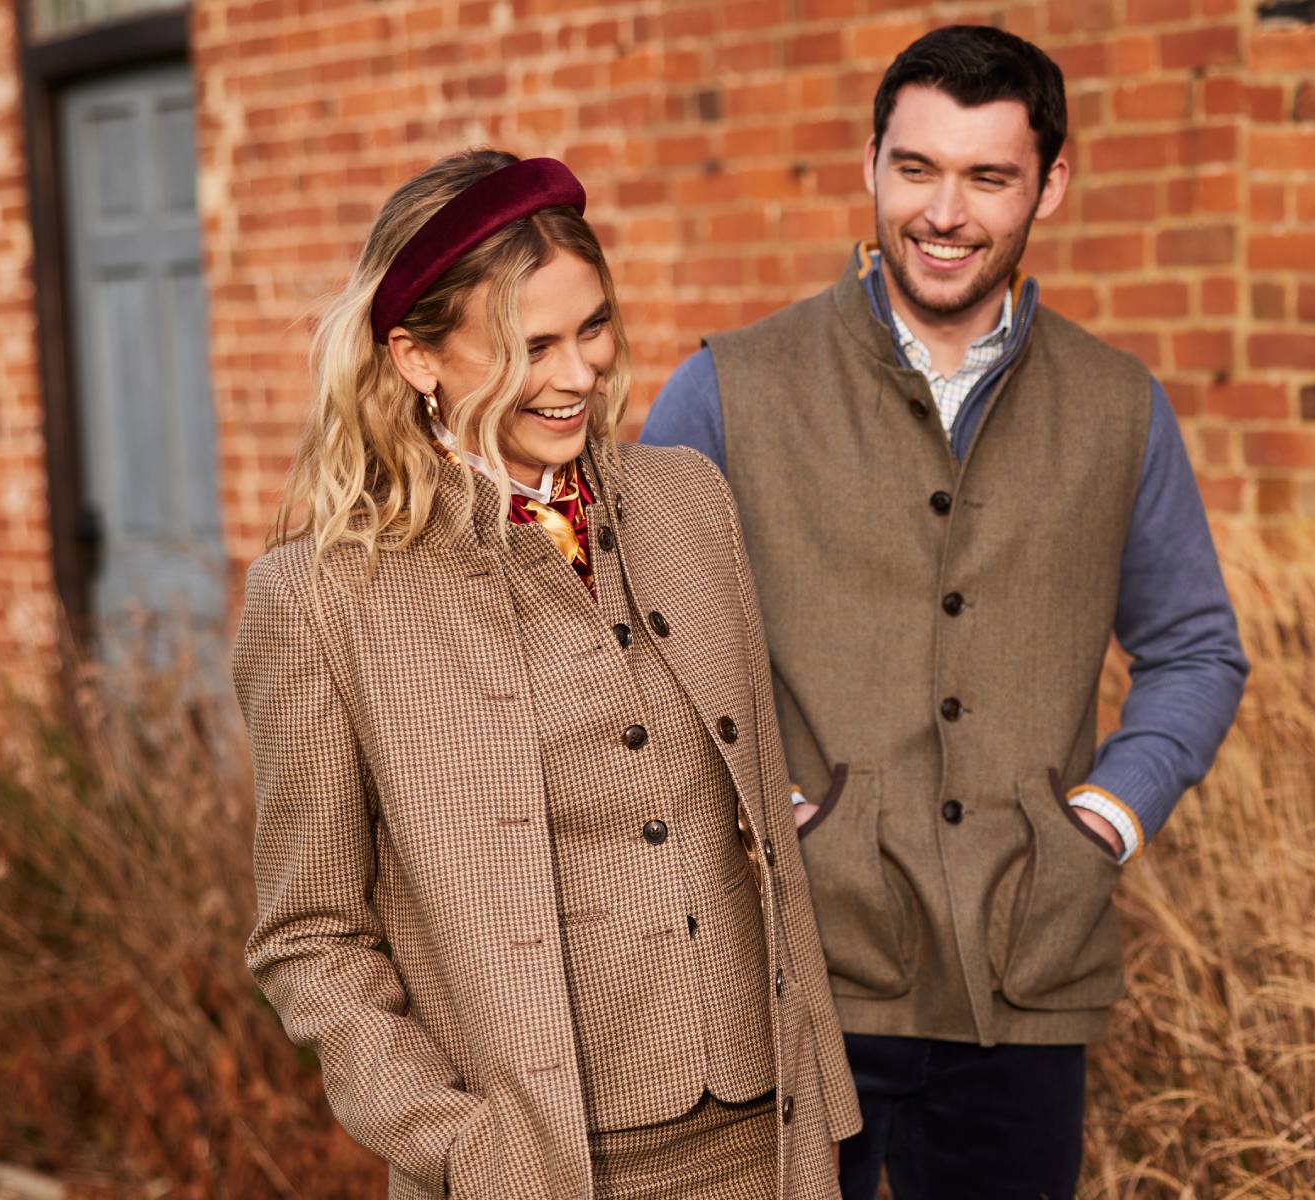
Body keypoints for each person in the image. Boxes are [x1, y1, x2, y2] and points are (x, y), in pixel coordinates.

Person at [639, 26, 1249, 1200]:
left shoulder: (1119, 406)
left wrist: (1104, 822)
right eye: (916, 168)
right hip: (792, 975)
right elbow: (637, 647)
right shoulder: (729, 388)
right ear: (870, 163)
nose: (944, 213)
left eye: (988, 177)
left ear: (1050, 185)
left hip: (1026, 979)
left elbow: (1195, 650)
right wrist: (769, 817)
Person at [235, 148, 858, 1200]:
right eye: (532, 347)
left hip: (770, 1140)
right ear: (418, 359)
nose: (579, 375)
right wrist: (460, 1146)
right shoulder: (321, 599)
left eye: (593, 328)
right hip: (535, 1168)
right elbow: (311, 938)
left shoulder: (688, 503)